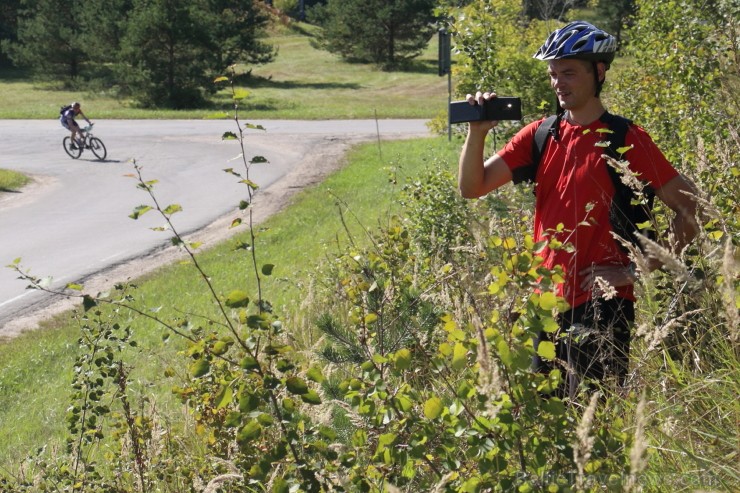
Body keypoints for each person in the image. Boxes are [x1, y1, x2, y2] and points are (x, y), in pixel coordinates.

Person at [458, 21, 700, 398]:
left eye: (569, 72)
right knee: (548, 428)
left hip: (601, 304)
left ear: (598, 72)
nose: (559, 83)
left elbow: (694, 209)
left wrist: (634, 269)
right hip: (546, 302)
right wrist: (477, 131)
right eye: (554, 74)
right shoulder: (540, 134)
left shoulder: (625, 138)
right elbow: (472, 187)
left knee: (592, 426)